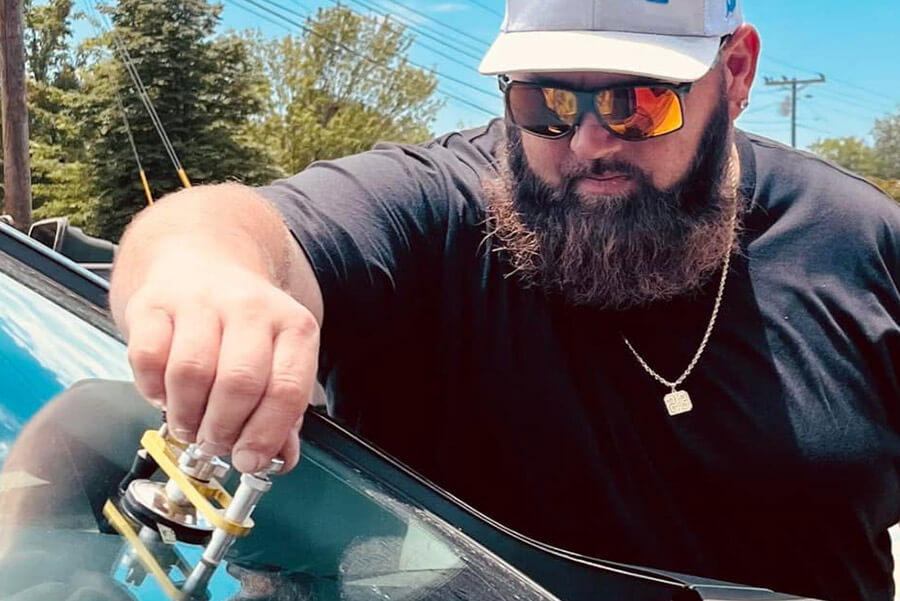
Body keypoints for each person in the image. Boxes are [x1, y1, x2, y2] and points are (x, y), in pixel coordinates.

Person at [108, 1, 900, 600]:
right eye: (543, 102)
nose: (588, 141)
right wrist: (205, 276)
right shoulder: (439, 207)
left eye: (638, 102)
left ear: (735, 75)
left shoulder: (860, 243)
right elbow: (231, 228)